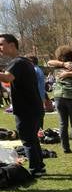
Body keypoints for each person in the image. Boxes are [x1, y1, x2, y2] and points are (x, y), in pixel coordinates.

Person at [0, 33, 45, 176]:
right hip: (34, 107)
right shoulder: (25, 62)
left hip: (26, 109)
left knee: (27, 139)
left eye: (1, 44)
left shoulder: (17, 62)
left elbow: (7, 77)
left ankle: (35, 169)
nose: (0, 48)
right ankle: (40, 166)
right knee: (32, 138)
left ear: (12, 45)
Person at [48, 45, 72, 154]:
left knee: (63, 123)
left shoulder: (58, 66)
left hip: (58, 96)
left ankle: (65, 148)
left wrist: (63, 66)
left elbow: (49, 62)